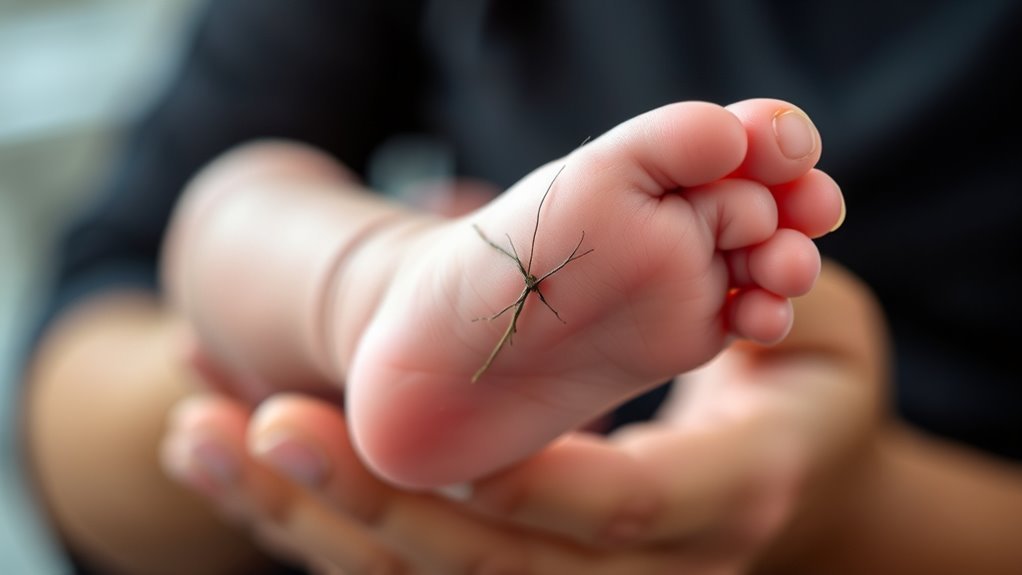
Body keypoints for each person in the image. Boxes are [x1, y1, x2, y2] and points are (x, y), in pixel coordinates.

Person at [21, 1, 1022, 574]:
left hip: (526, 322)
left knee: (239, 205)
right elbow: (85, 338)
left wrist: (862, 515)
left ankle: (372, 290)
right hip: (434, 257)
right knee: (243, 197)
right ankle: (375, 287)